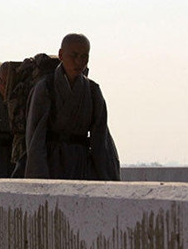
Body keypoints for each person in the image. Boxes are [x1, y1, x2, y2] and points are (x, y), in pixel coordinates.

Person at [24, 33, 120, 180]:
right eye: (74, 56)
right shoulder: (45, 88)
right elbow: (35, 139)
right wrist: (39, 179)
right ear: (61, 55)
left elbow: (101, 140)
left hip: (81, 166)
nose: (79, 62)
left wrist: (108, 177)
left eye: (84, 57)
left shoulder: (93, 90)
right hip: (52, 164)